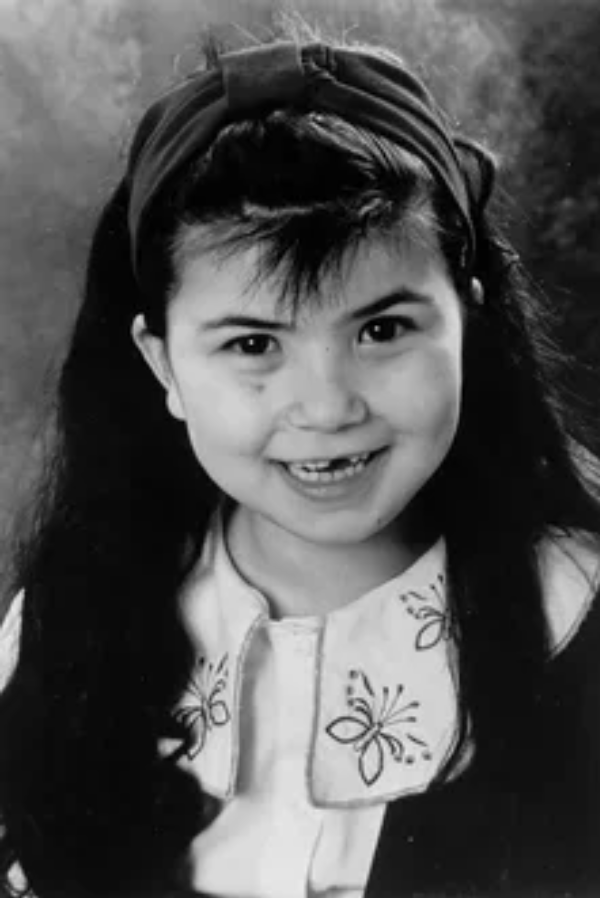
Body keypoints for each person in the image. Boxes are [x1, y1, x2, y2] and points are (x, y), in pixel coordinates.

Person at [1, 28, 599, 898]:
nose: (326, 408)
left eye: (382, 329)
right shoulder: (61, 628)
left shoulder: (578, 623)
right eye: (253, 344)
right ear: (163, 366)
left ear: (469, 325)